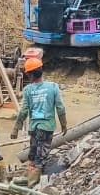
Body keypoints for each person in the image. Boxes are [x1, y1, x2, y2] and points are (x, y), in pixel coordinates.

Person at [11, 55, 67, 184]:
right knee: (40, 158)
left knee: (33, 155)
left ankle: (31, 182)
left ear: (30, 75)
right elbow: (60, 108)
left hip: (34, 128)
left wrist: (16, 128)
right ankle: (33, 187)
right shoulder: (53, 87)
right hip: (46, 128)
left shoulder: (27, 90)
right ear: (41, 70)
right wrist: (64, 124)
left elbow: (24, 111)